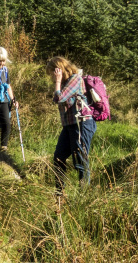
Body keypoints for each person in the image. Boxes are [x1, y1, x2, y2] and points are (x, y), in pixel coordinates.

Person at [46, 56, 96, 194]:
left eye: (52, 72)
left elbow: (59, 98)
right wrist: (58, 83)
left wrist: (57, 82)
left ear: (59, 69)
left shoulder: (75, 79)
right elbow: (57, 98)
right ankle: (60, 193)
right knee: (58, 157)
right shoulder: (64, 83)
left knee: (80, 160)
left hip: (82, 124)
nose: (51, 76)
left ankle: (84, 195)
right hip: (69, 125)